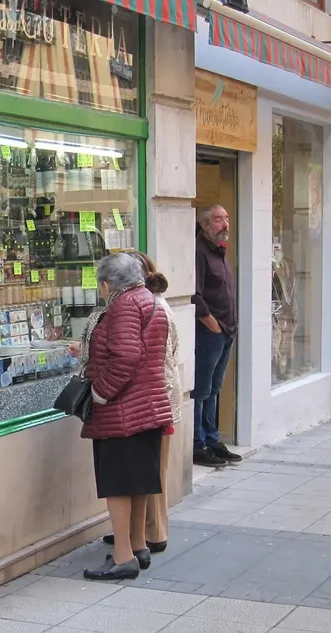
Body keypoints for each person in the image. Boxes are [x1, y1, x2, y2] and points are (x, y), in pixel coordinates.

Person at [79, 253, 172, 581]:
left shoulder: (122, 306)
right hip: (150, 406)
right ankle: (136, 545)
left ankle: (122, 557)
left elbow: (125, 356)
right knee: (139, 481)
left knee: (118, 483)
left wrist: (99, 393)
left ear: (106, 284)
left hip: (122, 411)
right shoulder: (151, 301)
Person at [100, 251, 181, 554]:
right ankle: (137, 536)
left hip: (147, 401)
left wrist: (101, 392)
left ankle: (152, 534)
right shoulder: (152, 304)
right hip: (154, 399)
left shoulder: (141, 307)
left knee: (146, 474)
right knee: (143, 473)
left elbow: (132, 357)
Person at [192, 205, 241, 467]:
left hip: (226, 332)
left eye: (226, 218)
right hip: (210, 332)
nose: (225, 224)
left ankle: (211, 438)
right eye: (218, 220)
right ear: (205, 225)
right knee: (201, 390)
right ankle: (197, 444)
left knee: (214, 389)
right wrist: (212, 324)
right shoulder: (199, 252)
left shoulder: (219, 252)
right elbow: (194, 295)